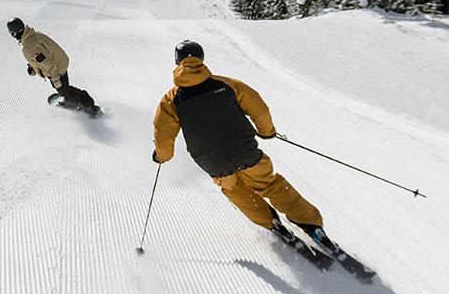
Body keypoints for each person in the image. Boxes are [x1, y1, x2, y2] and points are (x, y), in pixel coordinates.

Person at [151, 38, 352, 262]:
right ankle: (312, 225)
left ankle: (270, 222)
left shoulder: (169, 101)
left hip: (211, 160)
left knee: (235, 189)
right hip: (244, 150)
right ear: (202, 58)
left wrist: (161, 157)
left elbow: (163, 135)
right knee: (270, 184)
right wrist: (266, 131)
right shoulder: (227, 84)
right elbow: (258, 107)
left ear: (177, 62)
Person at [6, 17, 99, 114]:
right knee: (62, 87)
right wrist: (32, 67)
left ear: (15, 33)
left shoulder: (29, 45)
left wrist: (55, 76)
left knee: (63, 89)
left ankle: (88, 104)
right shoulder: (34, 35)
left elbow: (44, 61)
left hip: (56, 68)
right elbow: (39, 56)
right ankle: (71, 101)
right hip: (60, 61)